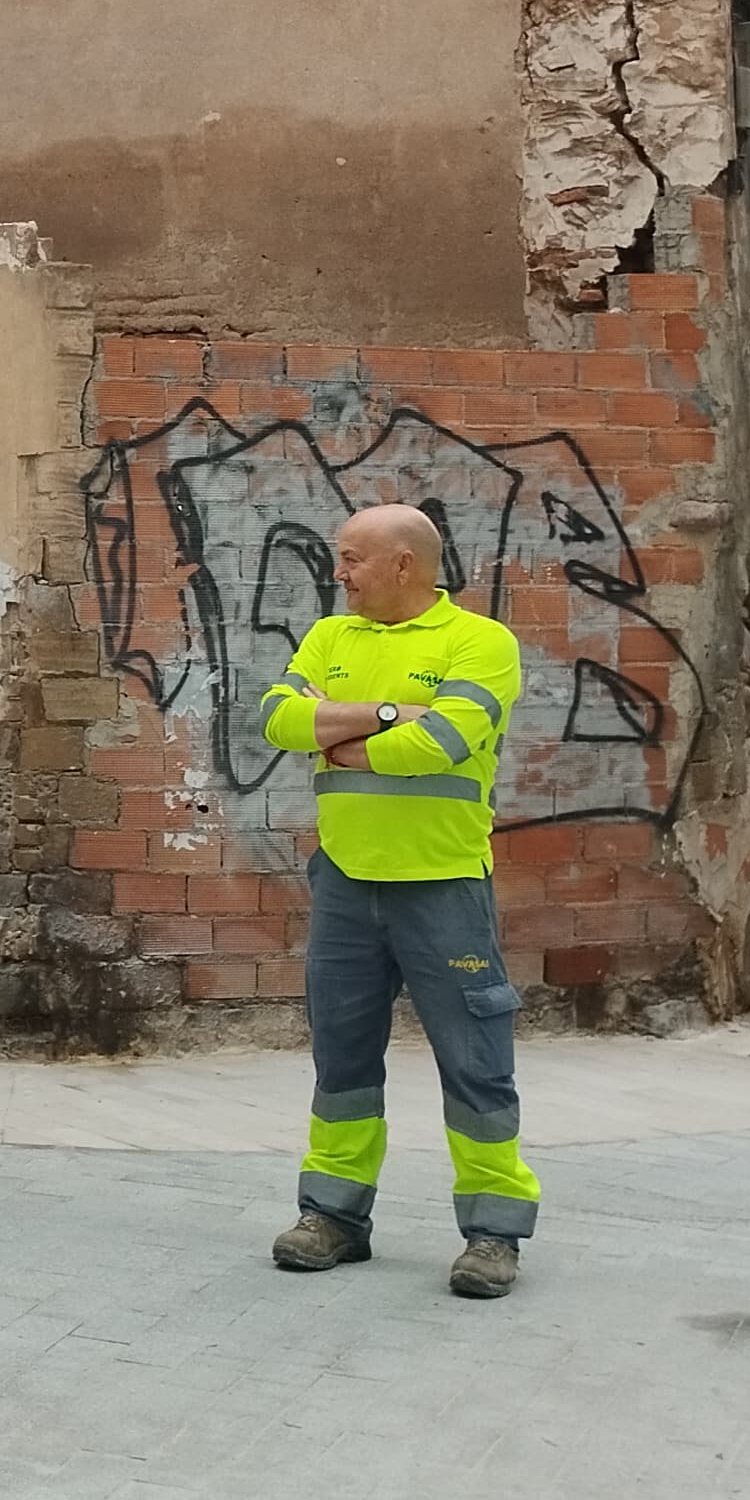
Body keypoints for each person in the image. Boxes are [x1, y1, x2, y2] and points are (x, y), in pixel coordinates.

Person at [259, 504, 541, 1299]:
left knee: (475, 1061)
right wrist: (388, 714)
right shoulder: (328, 638)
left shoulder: (480, 643)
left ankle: (494, 1233)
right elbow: (277, 720)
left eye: (351, 559)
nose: (339, 573)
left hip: (444, 881)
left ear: (403, 564)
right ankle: (333, 1219)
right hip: (345, 879)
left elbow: (442, 744)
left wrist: (340, 733)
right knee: (341, 1055)